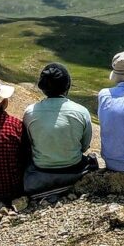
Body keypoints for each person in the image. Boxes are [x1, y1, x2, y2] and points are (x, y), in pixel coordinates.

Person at [23, 63, 96, 194]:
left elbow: (29, 144)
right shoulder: (82, 111)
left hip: (41, 169)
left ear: (43, 87)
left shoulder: (29, 113)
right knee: (91, 160)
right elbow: (84, 146)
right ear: (67, 86)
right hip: (73, 167)